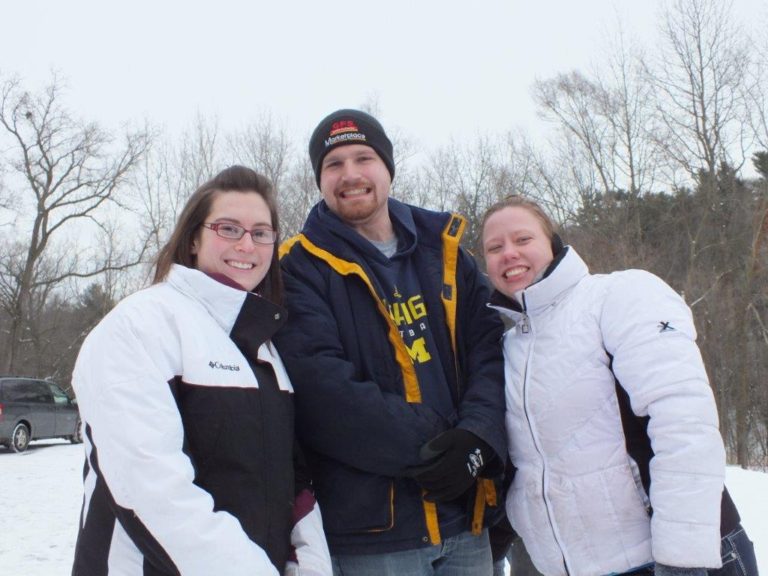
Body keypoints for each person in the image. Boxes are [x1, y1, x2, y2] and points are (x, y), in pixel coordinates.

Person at [274, 109, 507, 575]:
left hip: (466, 519)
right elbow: (323, 390)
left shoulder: (443, 250)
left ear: (387, 167)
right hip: (374, 535)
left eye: (364, 158)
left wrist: (477, 437)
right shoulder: (297, 267)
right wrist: (442, 445)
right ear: (320, 180)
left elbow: (490, 351)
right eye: (334, 164)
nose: (350, 174)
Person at [71, 166, 332, 576]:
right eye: (229, 228)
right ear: (193, 238)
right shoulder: (140, 326)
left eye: (261, 233)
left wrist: (309, 564)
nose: (247, 245)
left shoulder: (265, 347)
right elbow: (151, 491)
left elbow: (294, 480)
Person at [481, 195, 759, 576]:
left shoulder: (617, 296)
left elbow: (683, 421)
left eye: (523, 239)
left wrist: (682, 561)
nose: (509, 253)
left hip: (675, 559)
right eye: (494, 247)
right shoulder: (510, 348)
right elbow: (528, 471)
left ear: (553, 243)